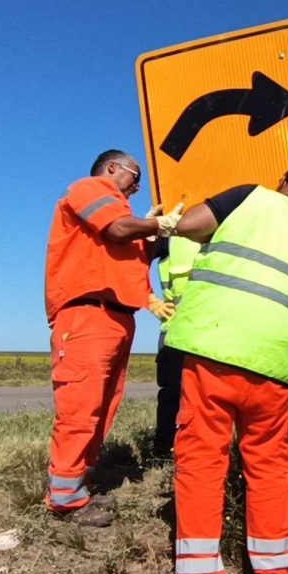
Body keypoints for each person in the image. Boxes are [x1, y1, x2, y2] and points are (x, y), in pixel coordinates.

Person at [155, 165, 288, 574]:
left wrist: (169, 223)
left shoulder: (251, 196)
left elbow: (192, 225)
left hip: (216, 349)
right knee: (269, 469)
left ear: (283, 184)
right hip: (275, 366)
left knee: (202, 463)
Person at [43, 150, 183, 527]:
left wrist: (151, 233)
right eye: (133, 177)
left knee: (102, 406)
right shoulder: (92, 189)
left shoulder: (122, 213)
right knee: (81, 406)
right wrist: (154, 225)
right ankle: (65, 498)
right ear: (111, 168)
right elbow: (118, 230)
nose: (137, 186)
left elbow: (133, 255)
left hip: (117, 317)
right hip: (88, 314)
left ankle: (76, 480)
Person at [150, 235, 201, 459]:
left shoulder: (225, 225)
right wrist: (149, 299)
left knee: (208, 395)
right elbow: (129, 262)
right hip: (175, 331)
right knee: (172, 393)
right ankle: (164, 449)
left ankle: (198, 450)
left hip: (212, 330)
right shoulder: (170, 236)